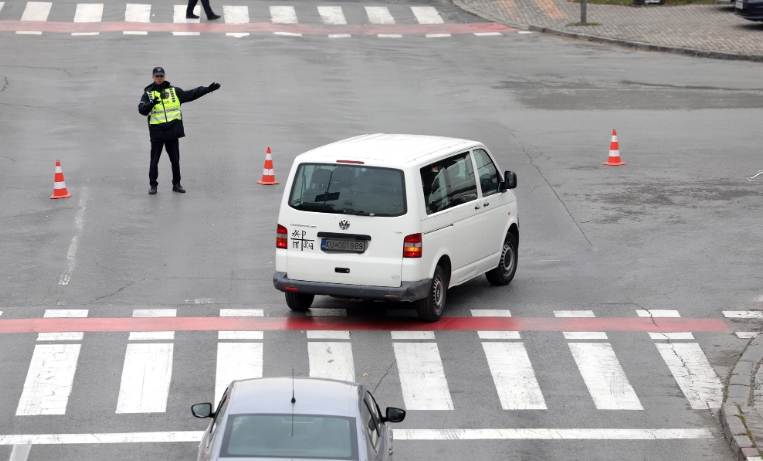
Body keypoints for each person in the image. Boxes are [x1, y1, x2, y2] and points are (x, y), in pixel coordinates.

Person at [138, 67, 221, 195]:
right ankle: (153, 185)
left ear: (164, 76)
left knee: (175, 160)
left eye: (161, 76)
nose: (159, 78)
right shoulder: (148, 93)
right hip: (157, 132)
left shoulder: (174, 91)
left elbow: (190, 94)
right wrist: (152, 104)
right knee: (154, 160)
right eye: (157, 76)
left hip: (172, 131)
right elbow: (142, 110)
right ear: (153, 77)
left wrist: (207, 89)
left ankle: (177, 184)